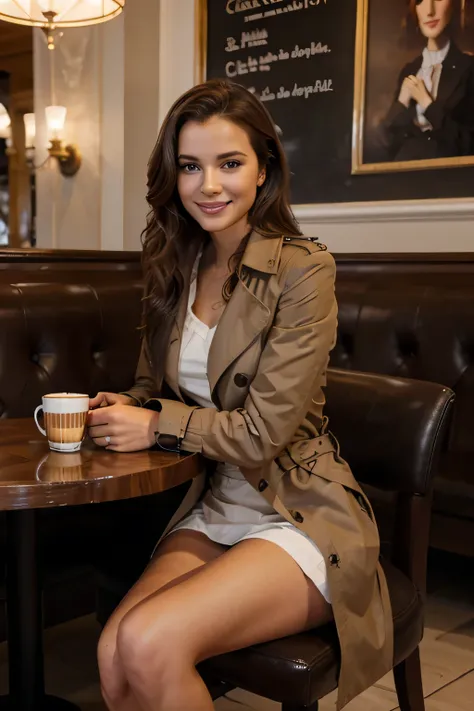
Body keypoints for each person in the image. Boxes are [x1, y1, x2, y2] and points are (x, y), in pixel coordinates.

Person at [88, 79, 393, 711]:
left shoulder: (304, 270)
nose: (209, 186)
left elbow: (263, 433)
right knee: (114, 649)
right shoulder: (174, 265)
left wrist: (153, 425)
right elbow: (153, 389)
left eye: (230, 164)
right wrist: (118, 406)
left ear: (264, 170)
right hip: (216, 503)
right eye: (191, 166)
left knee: (147, 642)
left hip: (298, 509)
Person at [382, 0, 474, 161]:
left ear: (453, 5)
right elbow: (385, 144)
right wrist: (401, 104)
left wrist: (428, 105)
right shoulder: (409, 70)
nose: (429, 11)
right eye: (420, 1)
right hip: (404, 176)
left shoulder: (468, 67)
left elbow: (469, 144)